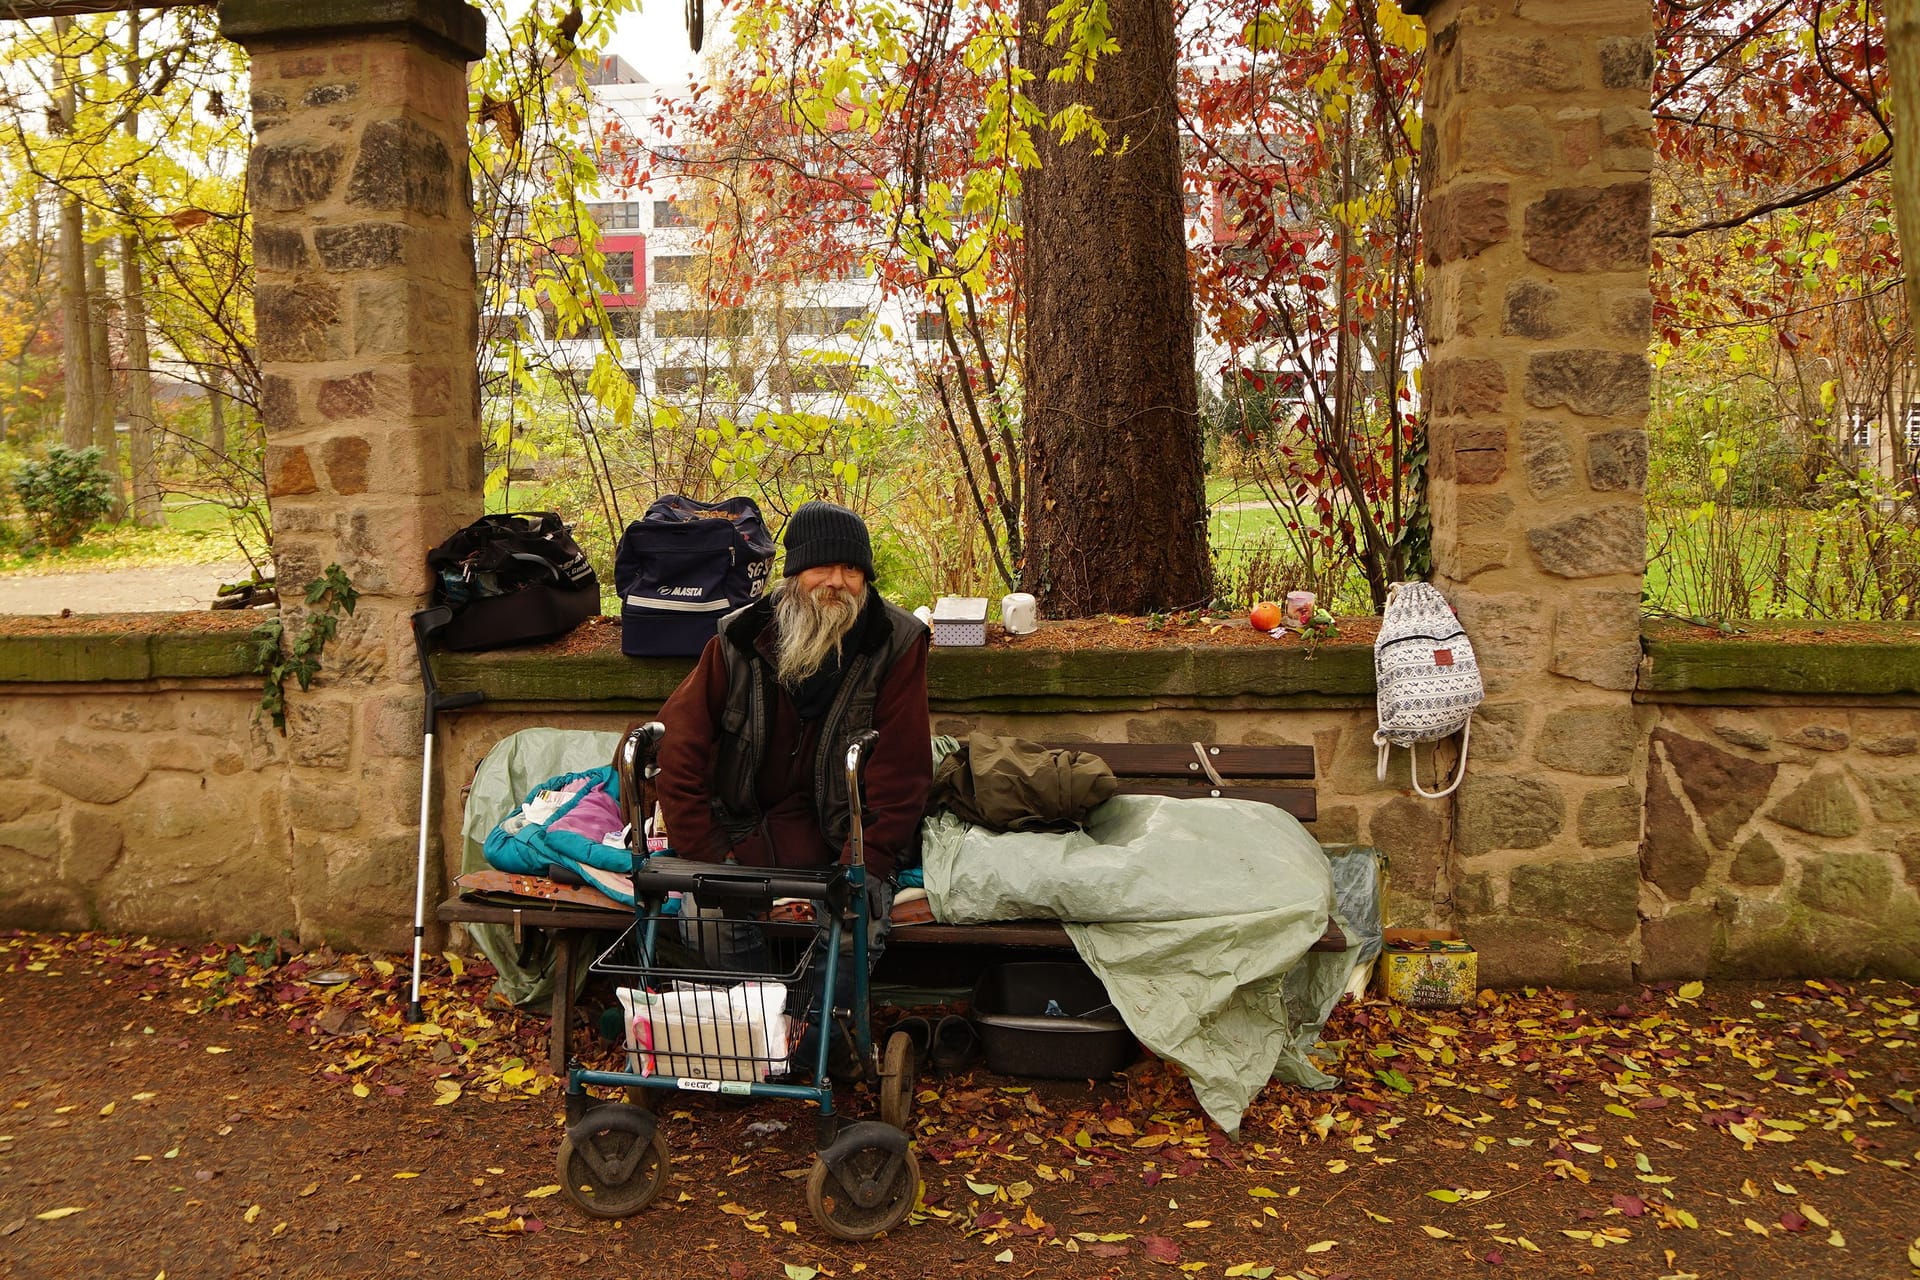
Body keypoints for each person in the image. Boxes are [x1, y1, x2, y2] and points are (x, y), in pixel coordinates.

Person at [651, 500, 932, 1010]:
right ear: (793, 575)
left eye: (852, 570)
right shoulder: (739, 637)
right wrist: (712, 857)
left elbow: (903, 773)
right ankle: (760, 1027)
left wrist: (862, 866)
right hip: (745, 837)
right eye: (822, 567)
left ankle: (805, 1040)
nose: (837, 582)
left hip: (844, 843)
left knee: (853, 929)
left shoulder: (897, 642)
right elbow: (677, 748)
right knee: (708, 920)